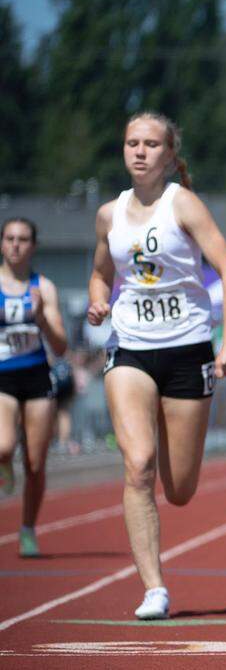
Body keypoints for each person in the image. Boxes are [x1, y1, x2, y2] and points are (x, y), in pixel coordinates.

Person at [87, 112, 226, 619]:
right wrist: (97, 301)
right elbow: (99, 273)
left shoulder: (185, 204)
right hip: (129, 347)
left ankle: (163, 423)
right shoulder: (109, 214)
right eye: (132, 142)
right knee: (137, 466)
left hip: (188, 348)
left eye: (151, 144)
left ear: (170, 155)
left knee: (178, 489)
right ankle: (154, 588)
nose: (139, 151)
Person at [0, 217, 68, 557]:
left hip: (36, 375)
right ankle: (4, 462)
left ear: (33, 246)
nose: (15, 245)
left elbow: (61, 346)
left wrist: (40, 316)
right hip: (2, 376)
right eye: (9, 238)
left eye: (23, 239)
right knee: (3, 445)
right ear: (1, 244)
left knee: (36, 463)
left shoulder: (45, 287)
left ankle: (27, 528)